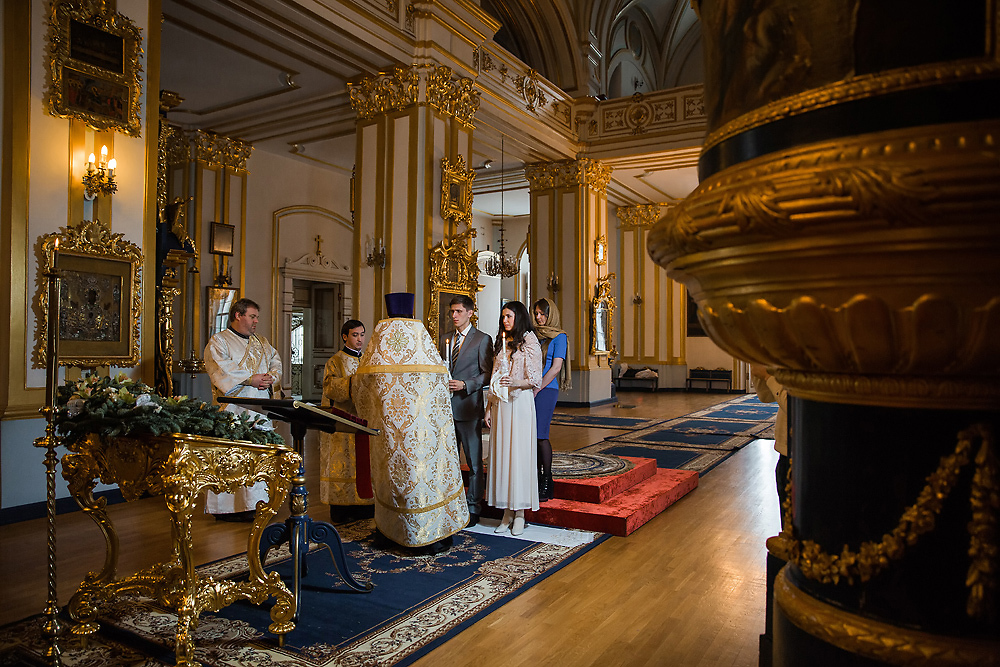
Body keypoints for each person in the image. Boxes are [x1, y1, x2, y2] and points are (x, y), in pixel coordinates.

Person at [353, 293, 469, 555]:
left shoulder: (379, 342)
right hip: (422, 433)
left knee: (391, 480)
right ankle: (429, 532)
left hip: (387, 435)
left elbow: (360, 389)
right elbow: (442, 387)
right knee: (423, 481)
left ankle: (389, 531)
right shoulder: (421, 339)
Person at [203, 298, 281, 521]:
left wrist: (270, 378)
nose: (256, 321)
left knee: (258, 458)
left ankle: (258, 503)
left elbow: (276, 362)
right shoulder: (219, 342)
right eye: (252, 316)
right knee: (234, 457)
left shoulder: (262, 343)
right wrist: (250, 379)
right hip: (233, 411)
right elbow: (220, 369)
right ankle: (228, 509)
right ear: (238, 315)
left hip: (260, 410)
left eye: (257, 317)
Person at [485, 300, 542, 536]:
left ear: (518, 317)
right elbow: (494, 374)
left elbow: (535, 379)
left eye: (508, 316)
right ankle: (506, 511)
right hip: (501, 404)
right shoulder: (502, 341)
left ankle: (520, 512)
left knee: (518, 456)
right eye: (503, 317)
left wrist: (515, 382)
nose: (505, 320)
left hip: (520, 403)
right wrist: (489, 406)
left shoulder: (529, 341)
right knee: (503, 456)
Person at [319, 319, 374, 523]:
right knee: (343, 462)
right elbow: (330, 387)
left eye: (362, 335)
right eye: (355, 335)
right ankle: (341, 507)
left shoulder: (368, 360)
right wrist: (354, 383)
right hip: (342, 422)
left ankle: (365, 505)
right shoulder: (335, 361)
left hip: (364, 419)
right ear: (345, 337)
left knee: (363, 462)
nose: (360, 339)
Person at [446, 294, 494, 527]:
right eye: (452, 312)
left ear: (470, 312)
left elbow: (488, 373)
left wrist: (466, 385)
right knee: (449, 461)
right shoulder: (446, 339)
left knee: (474, 463)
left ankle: (474, 507)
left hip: (469, 407)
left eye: (458, 311)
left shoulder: (482, 340)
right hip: (446, 410)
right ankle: (451, 504)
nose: (454, 316)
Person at [532, 298, 571, 501]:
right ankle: (537, 479)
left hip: (547, 389)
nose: (539, 318)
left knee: (541, 434)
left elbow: (556, 368)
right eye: (536, 313)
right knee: (532, 437)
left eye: (542, 314)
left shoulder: (559, 337)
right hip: (530, 389)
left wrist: (538, 387)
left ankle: (548, 480)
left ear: (551, 314)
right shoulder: (534, 335)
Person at [750, 363, 789, 512]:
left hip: (800, 457)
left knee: (796, 529)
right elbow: (765, 395)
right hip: (785, 452)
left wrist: (767, 375)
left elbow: (795, 405)